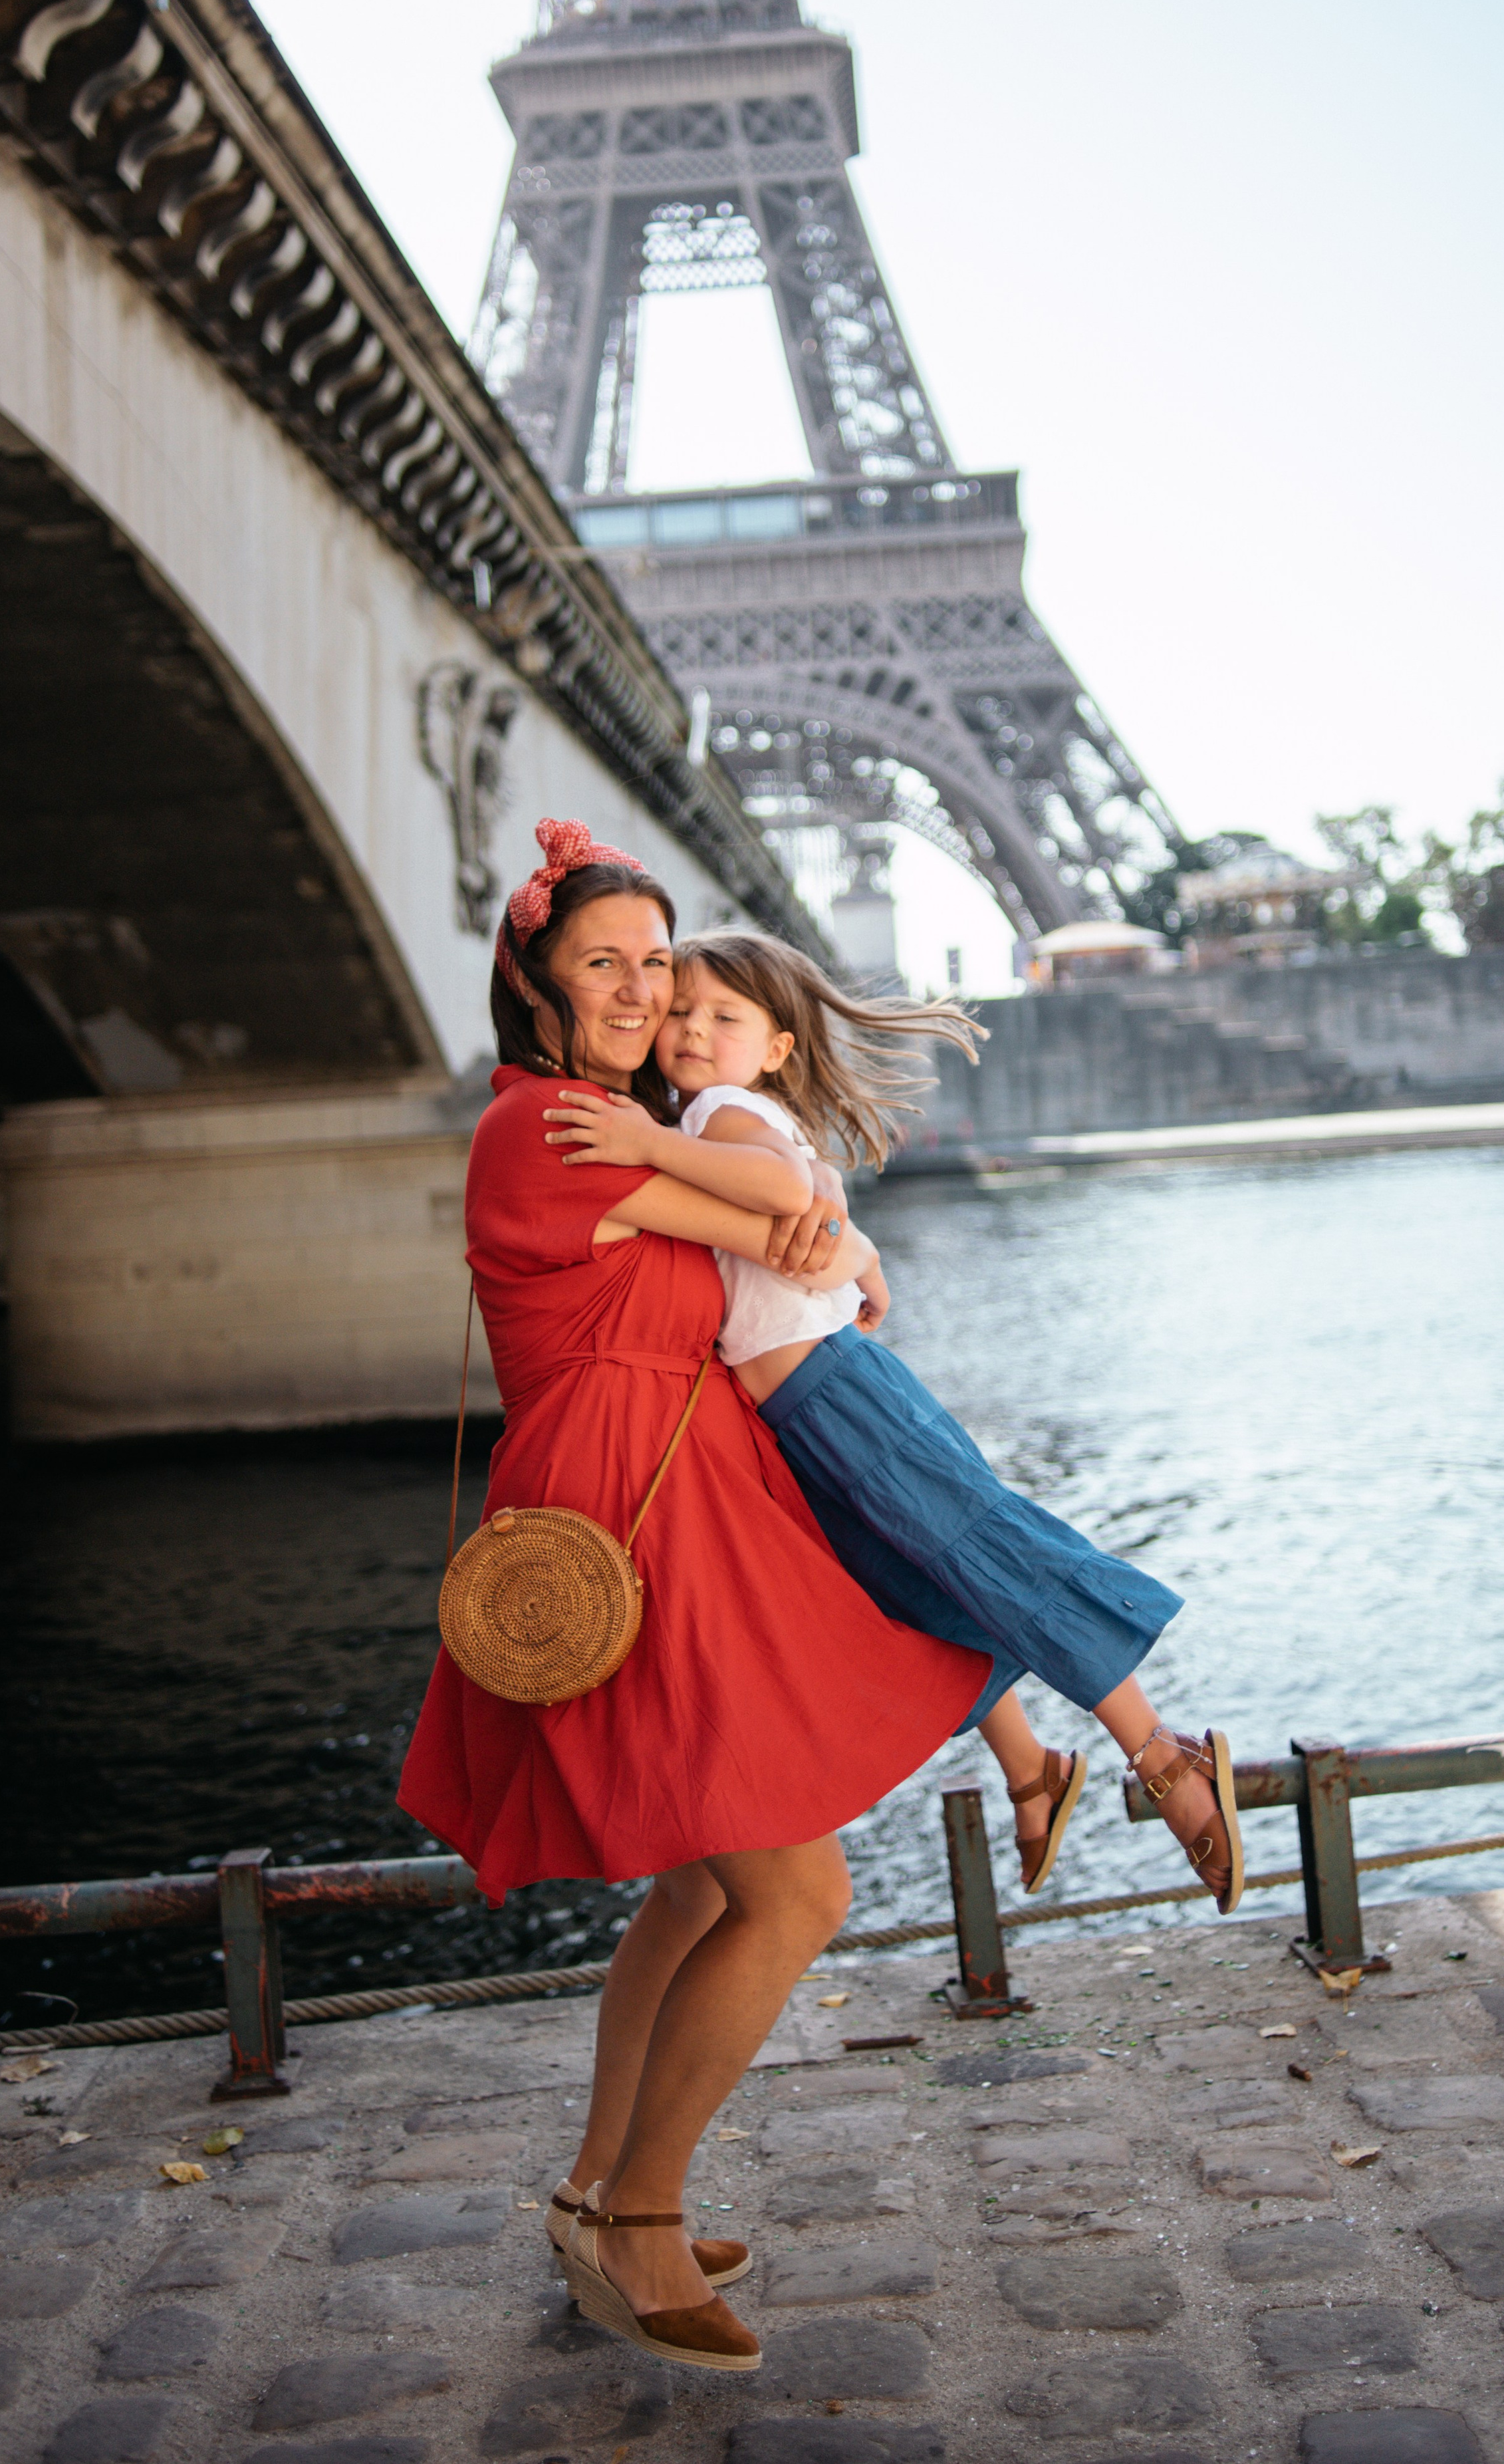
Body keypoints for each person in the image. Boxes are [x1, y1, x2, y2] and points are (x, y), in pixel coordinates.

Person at [398, 821, 994, 2375]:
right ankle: (640, 2217)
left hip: (680, 1506)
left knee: (704, 1886)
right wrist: (834, 1229)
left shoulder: (624, 1114)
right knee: (794, 1892)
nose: (635, 984)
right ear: (533, 982)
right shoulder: (544, 1129)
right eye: (600, 960)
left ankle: (599, 2179)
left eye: (654, 961)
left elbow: (794, 1235)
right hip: (621, 1519)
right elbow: (784, 1233)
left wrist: (825, 1229)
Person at [541, 925, 1244, 1913]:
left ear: (778, 1046)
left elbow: (789, 1188)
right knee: (911, 1584)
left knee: (984, 1545)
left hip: (836, 1392)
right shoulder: (726, 1111)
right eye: (683, 1013)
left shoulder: (715, 1114)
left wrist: (649, 1145)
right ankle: (1032, 1766)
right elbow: (807, 1184)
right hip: (804, 1411)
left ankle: (1161, 1752)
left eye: (724, 1017)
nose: (692, 1030)